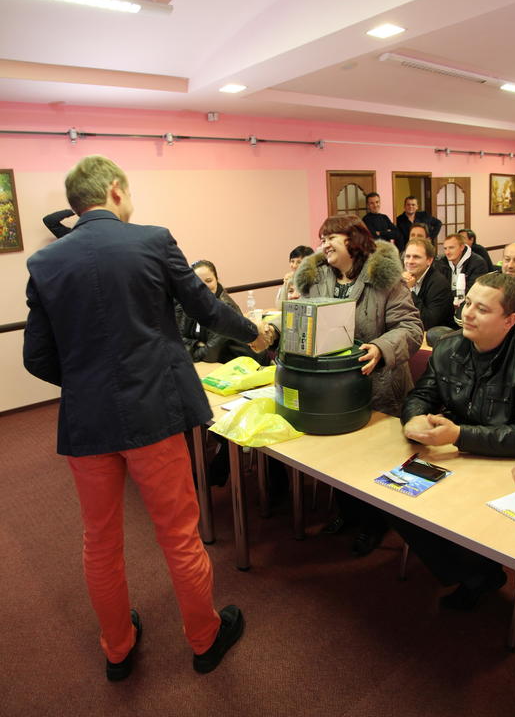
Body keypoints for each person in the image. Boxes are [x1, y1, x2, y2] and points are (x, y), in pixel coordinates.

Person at [23, 155, 271, 681]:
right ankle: (204, 640)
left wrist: (88, 385)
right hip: (153, 414)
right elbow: (207, 309)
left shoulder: (44, 262)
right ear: (115, 189)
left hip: (86, 423)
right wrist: (255, 334)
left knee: (99, 541)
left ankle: (117, 649)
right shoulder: (153, 241)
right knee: (179, 534)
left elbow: (37, 358)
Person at [279, 215, 423, 554]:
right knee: (339, 459)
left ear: (354, 240)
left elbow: (411, 328)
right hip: (333, 389)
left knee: (370, 461)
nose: (324, 244)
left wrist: (381, 347)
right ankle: (347, 513)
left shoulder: (385, 279)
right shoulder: (317, 278)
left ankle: (374, 524)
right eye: (322, 238)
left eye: (332, 237)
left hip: (378, 385)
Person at [392, 273, 515, 610]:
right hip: (459, 455)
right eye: (468, 303)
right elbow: (421, 396)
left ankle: (479, 571)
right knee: (394, 498)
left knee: (460, 513)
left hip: (506, 465)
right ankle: (476, 573)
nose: (467, 313)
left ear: (509, 320)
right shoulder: (448, 346)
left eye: (482, 309)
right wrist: (413, 418)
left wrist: (458, 435)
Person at [175, 259, 269, 363]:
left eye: (208, 281)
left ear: (216, 280)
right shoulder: (189, 303)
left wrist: (191, 348)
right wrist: (197, 344)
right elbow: (177, 341)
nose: (203, 286)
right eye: (198, 282)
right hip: (216, 364)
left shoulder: (226, 307)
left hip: (244, 364)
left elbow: (210, 355)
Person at [401, 238, 453, 330]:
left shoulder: (439, 284)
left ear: (429, 260)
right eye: (407, 256)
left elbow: (428, 322)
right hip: (408, 329)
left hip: (435, 334)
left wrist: (408, 290)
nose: (410, 261)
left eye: (416, 257)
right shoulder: (403, 278)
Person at [435, 233, 487, 302]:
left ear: (462, 247)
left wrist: (443, 296)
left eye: (451, 248)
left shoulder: (478, 263)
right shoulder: (441, 262)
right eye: (445, 248)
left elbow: (472, 290)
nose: (447, 252)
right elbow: (438, 286)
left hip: (468, 302)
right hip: (445, 301)